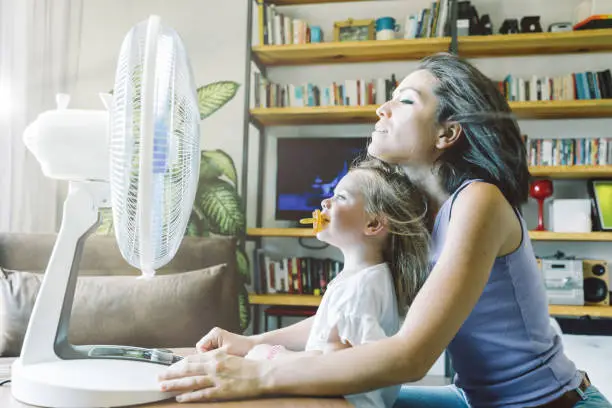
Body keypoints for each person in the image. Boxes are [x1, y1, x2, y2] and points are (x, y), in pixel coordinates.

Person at [158, 52, 612, 407]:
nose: (382, 108)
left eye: (406, 101)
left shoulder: (479, 202)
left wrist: (256, 372)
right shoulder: (419, 216)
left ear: (447, 134)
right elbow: (354, 310)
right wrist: (253, 343)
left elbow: (409, 356)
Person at [232, 158, 429, 408]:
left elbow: (339, 364)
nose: (325, 201)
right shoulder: (362, 277)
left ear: (373, 224)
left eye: (341, 197)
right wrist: (255, 343)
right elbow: (328, 335)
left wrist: (273, 356)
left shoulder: (361, 289)